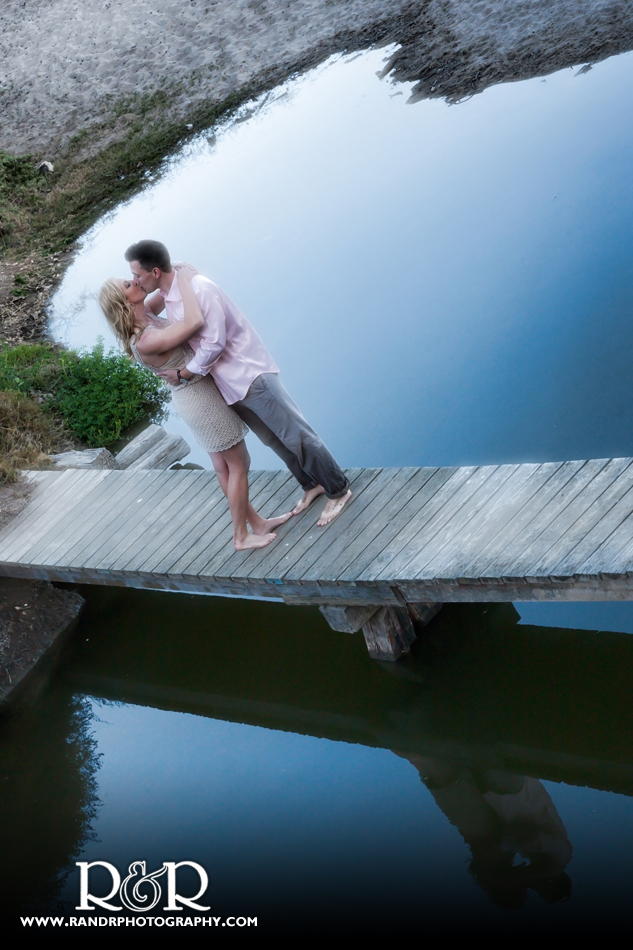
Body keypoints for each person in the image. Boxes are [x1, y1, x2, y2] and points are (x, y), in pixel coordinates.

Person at [124, 240, 353, 527]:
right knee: (274, 440)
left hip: (249, 375)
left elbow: (214, 343)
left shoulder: (199, 289)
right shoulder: (170, 296)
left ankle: (338, 490)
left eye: (137, 275)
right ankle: (312, 485)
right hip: (226, 384)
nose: (134, 279)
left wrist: (184, 374)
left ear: (154, 272)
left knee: (296, 435)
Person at [98, 268, 293, 551]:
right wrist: (187, 282)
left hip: (192, 397)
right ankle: (240, 535)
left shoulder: (146, 316)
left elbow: (163, 291)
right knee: (239, 464)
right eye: (128, 284)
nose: (136, 282)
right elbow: (193, 321)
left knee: (222, 466)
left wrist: (172, 269)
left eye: (132, 277)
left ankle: (257, 523)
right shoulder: (146, 339)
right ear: (124, 303)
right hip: (200, 400)